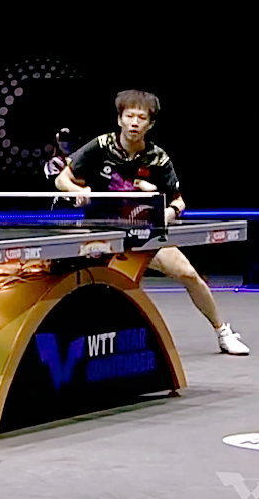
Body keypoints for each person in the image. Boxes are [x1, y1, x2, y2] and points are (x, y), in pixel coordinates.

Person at [54, 89, 249, 355]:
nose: (134, 123)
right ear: (120, 119)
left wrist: (168, 214)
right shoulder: (100, 146)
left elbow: (179, 201)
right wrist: (78, 191)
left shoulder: (158, 158)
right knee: (85, 286)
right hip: (101, 233)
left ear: (150, 124)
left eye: (141, 118)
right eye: (129, 116)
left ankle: (223, 332)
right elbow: (61, 179)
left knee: (188, 274)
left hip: (143, 233)